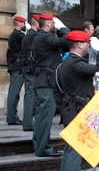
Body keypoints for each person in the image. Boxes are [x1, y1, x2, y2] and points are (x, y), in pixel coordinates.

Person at [58, 30, 99, 171]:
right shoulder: (75, 63)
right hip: (77, 111)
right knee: (75, 151)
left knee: (70, 150)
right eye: (87, 43)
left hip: (71, 109)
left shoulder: (68, 61)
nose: (89, 46)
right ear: (79, 45)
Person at [31, 13, 69, 157]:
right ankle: (43, 149)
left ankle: (40, 146)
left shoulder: (40, 37)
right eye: (53, 24)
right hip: (47, 82)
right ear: (48, 24)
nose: (55, 27)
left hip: (43, 80)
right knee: (45, 118)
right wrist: (63, 27)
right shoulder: (46, 37)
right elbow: (67, 40)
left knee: (42, 117)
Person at [6, 16, 30, 125]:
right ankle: (12, 118)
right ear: (20, 24)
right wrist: (30, 30)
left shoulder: (15, 34)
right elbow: (30, 40)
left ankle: (12, 117)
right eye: (25, 24)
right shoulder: (18, 34)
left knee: (13, 92)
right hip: (18, 67)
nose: (25, 26)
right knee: (14, 93)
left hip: (15, 66)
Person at [21, 14, 40, 131]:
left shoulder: (29, 34)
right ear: (37, 23)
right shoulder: (34, 35)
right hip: (30, 69)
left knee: (29, 95)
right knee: (31, 95)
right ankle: (28, 124)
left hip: (27, 68)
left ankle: (27, 122)